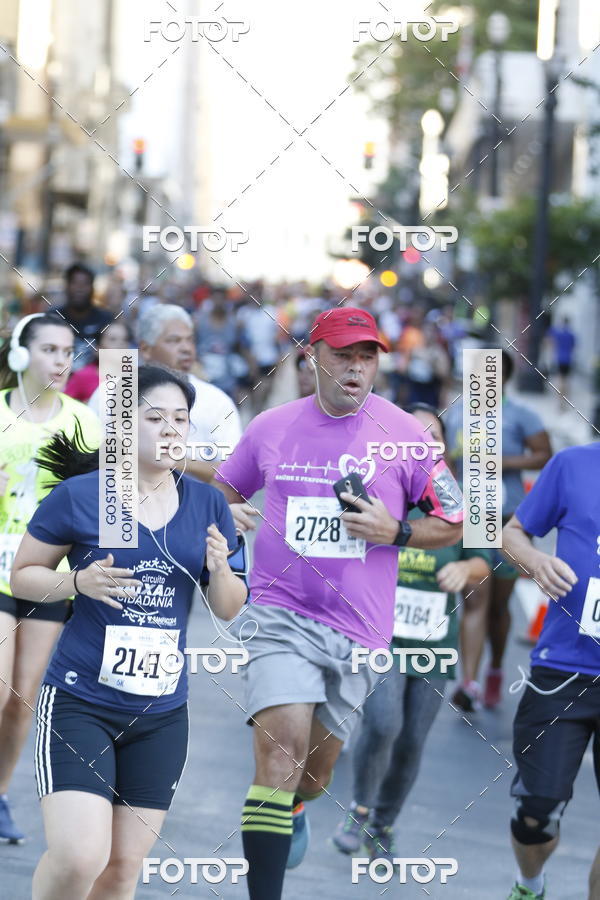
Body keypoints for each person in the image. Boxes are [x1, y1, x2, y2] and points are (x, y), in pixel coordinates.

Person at [214, 307, 464, 900]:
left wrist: (396, 532)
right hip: (280, 616)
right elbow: (222, 492)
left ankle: (298, 809)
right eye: (343, 355)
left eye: (367, 355)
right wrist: (225, 514)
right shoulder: (271, 427)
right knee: (278, 759)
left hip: (359, 630)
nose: (356, 367)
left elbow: (455, 519)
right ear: (312, 357)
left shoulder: (407, 434)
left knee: (315, 773)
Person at [10, 364, 247, 899]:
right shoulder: (82, 495)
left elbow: (229, 608)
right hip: (81, 700)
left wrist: (223, 570)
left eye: (181, 420)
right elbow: (22, 577)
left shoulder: (207, 502)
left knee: (120, 870)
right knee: (79, 857)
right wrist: (76, 582)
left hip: (161, 714)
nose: (170, 430)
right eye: (155, 417)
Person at [331, 403, 490, 861]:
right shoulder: (380, 489)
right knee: (382, 724)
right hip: (381, 636)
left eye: (432, 436)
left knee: (411, 740)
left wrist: (464, 567)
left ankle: (384, 823)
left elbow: (488, 561)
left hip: (435, 645)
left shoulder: (462, 500)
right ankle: (358, 810)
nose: (422, 443)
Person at [0, 313, 101, 843]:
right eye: (49, 350)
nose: (62, 361)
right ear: (21, 353)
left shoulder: (84, 424)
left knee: (21, 700)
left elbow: (106, 509)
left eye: (68, 352)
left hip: (52, 579)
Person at [501, 443, 600, 900]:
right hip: (564, 669)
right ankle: (530, 884)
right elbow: (511, 533)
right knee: (536, 813)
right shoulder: (574, 464)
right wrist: (537, 561)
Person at [446, 350, 552, 710]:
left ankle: (493, 668)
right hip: (472, 514)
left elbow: (544, 454)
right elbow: (444, 458)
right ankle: (469, 683)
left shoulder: (521, 415)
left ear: (503, 378)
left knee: (499, 607)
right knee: (475, 597)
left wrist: (501, 462)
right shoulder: (458, 413)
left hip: (509, 521)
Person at [112, 304, 241, 481]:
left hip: (196, 506)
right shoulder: (112, 393)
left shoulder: (217, 401)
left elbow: (235, 472)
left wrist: (173, 461)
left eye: (190, 340)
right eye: (174, 340)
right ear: (146, 349)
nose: (186, 348)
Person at [51, 264, 113, 371]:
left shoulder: (106, 319)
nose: (80, 288)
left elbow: (120, 356)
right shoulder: (52, 318)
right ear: (66, 286)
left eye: (85, 284)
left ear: (92, 288)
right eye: (75, 283)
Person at [65, 321, 130, 403]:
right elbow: (64, 405)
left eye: (125, 340)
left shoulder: (136, 376)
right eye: (113, 339)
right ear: (98, 348)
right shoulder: (83, 376)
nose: (121, 344)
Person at [546, 316, 576, 404]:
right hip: (568, 359)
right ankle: (565, 399)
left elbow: (549, 335)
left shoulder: (558, 332)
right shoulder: (571, 334)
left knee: (560, 379)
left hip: (560, 358)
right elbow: (573, 346)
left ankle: (560, 401)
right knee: (566, 380)